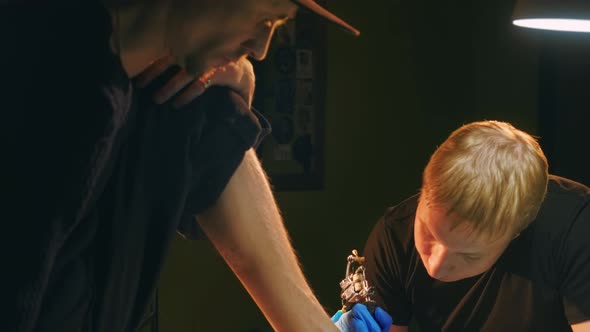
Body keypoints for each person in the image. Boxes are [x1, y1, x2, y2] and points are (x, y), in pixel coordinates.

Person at [1, 1, 389, 331]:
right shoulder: (38, 56)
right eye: (264, 18)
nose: (261, 48)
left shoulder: (177, 96)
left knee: (206, 96)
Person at [361, 120, 590, 331]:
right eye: (428, 233)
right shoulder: (395, 234)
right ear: (424, 189)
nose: (436, 266)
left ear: (517, 233)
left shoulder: (577, 228)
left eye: (469, 256)